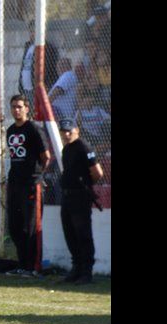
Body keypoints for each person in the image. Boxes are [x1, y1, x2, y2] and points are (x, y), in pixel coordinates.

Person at [5, 95, 52, 277]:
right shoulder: (10, 130)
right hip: (15, 182)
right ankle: (22, 263)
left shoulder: (34, 129)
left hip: (31, 184)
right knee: (15, 226)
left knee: (31, 225)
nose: (16, 110)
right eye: (13, 107)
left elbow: (46, 156)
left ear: (26, 108)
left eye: (19, 107)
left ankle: (34, 266)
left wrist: (38, 176)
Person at [58, 118, 103, 285]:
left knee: (83, 233)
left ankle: (86, 271)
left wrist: (86, 185)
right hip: (67, 196)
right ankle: (76, 268)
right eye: (63, 131)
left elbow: (97, 172)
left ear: (77, 130)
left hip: (79, 196)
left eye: (69, 131)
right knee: (69, 232)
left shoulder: (84, 147)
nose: (66, 134)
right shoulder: (67, 149)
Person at [18, 21, 60, 114]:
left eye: (35, 31)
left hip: (37, 89)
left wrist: (48, 85)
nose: (32, 34)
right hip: (26, 89)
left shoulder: (47, 48)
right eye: (31, 31)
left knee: (37, 114)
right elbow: (24, 66)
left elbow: (51, 68)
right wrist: (20, 86)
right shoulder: (28, 46)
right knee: (27, 115)